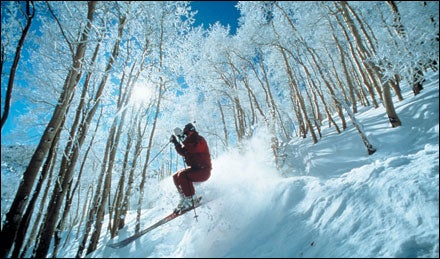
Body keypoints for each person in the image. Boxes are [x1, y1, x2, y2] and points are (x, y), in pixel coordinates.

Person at [170, 123, 212, 212]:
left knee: (183, 176)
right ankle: (184, 197)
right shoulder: (188, 143)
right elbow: (183, 152)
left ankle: (191, 199)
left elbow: (195, 148)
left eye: (186, 133)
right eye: (184, 134)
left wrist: (183, 139)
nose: (185, 136)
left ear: (192, 132)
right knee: (175, 176)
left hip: (203, 171)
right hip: (196, 169)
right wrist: (176, 143)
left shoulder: (199, 140)